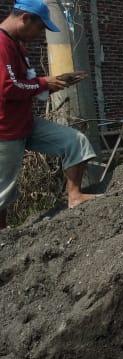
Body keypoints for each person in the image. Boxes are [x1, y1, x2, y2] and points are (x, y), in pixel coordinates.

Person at [0, 0, 98, 230]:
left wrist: (50, 84)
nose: (40, 33)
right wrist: (43, 83)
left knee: (75, 142)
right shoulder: (2, 44)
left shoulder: (16, 44)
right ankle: (4, 239)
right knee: (3, 190)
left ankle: (74, 196)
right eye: (40, 27)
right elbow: (6, 87)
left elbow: (23, 83)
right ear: (25, 19)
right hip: (5, 129)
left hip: (24, 123)